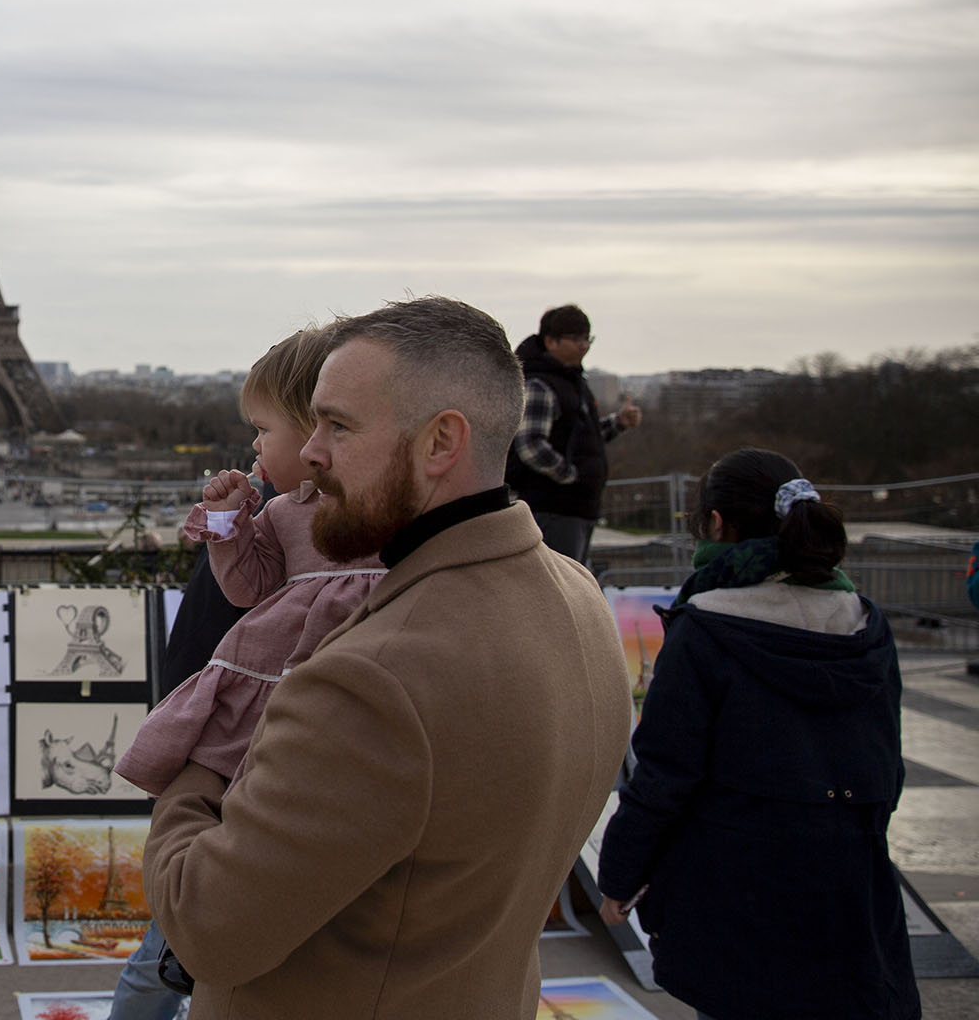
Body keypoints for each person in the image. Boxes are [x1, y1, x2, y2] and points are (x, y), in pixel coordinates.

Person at [143, 296, 630, 1019]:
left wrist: (201, 756)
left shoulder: (371, 679)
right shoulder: (578, 598)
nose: (310, 451)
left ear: (441, 442)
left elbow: (206, 923)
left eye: (338, 426)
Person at [112, 326, 382, 1020]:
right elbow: (247, 583)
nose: (255, 446)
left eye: (263, 430)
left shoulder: (370, 515)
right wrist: (231, 517)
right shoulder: (285, 514)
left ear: (320, 428)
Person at [596, 449, 919, 1020]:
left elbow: (665, 776)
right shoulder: (866, 622)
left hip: (736, 897)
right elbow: (886, 769)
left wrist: (620, 875)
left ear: (717, 525)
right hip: (849, 896)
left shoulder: (705, 629)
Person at [504, 304, 641, 565]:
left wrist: (619, 423)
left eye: (587, 339)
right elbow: (530, 444)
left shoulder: (570, 381)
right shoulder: (541, 384)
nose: (584, 346)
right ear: (551, 341)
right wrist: (569, 476)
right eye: (576, 339)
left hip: (576, 507)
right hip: (555, 509)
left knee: (572, 585)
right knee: (560, 588)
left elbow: (581, 438)